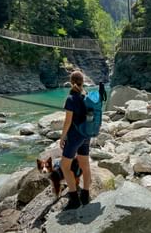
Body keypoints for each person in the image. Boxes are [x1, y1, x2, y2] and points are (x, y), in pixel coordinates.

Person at [60, 70, 91, 210]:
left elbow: (68, 121)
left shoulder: (70, 98)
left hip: (74, 137)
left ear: (71, 82)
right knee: (85, 165)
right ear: (82, 81)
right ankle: (85, 195)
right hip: (86, 135)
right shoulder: (86, 96)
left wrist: (62, 137)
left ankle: (74, 200)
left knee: (64, 166)